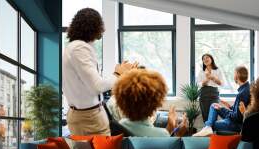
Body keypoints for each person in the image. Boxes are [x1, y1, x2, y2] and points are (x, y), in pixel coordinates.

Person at [62, 8, 135, 136]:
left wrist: (120, 73)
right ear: (92, 26)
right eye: (101, 24)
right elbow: (98, 86)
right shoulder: (80, 48)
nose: (104, 29)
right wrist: (118, 74)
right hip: (89, 118)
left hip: (85, 115)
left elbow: (91, 84)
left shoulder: (72, 48)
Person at [113, 69, 188, 137]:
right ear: (155, 104)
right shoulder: (161, 135)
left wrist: (170, 127)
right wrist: (178, 135)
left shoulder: (119, 126)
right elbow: (168, 148)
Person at [193, 66, 250, 136]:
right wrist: (230, 107)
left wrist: (222, 109)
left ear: (237, 75)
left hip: (236, 125)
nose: (233, 76)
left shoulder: (242, 94)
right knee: (214, 105)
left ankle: (207, 127)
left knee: (211, 124)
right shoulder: (247, 88)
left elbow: (237, 118)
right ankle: (207, 127)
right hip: (236, 121)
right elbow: (239, 112)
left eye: (234, 74)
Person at [197, 54, 224, 122]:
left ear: (211, 59)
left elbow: (222, 83)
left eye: (207, 58)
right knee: (205, 116)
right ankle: (207, 132)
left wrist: (213, 78)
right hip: (203, 93)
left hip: (214, 93)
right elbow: (198, 84)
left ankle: (212, 132)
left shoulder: (217, 70)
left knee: (213, 115)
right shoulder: (201, 71)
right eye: (203, 59)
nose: (205, 59)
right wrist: (205, 81)